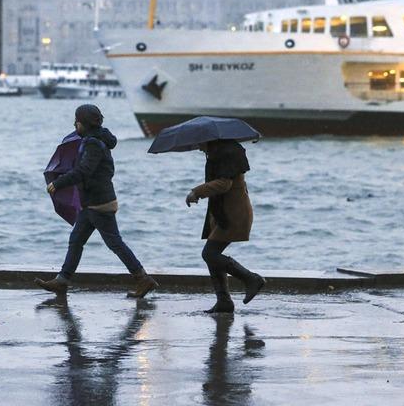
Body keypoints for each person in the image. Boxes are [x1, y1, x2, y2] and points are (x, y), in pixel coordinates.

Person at [36, 104, 158, 298]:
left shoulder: (93, 143)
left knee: (114, 243)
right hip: (91, 203)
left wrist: (59, 183)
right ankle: (62, 281)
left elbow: (84, 171)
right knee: (76, 240)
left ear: (83, 123)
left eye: (76, 120)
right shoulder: (94, 139)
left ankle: (143, 279)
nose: (74, 124)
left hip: (99, 203)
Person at [186, 139, 265, 313]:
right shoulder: (217, 153)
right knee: (212, 255)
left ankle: (251, 279)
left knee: (210, 253)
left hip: (233, 213)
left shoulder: (227, 153)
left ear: (208, 139)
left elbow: (224, 184)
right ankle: (224, 301)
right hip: (223, 212)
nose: (197, 146)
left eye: (199, 143)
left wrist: (196, 192)